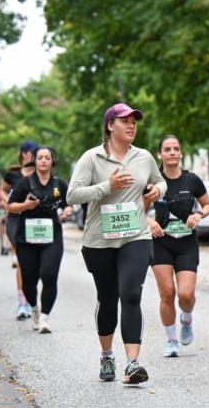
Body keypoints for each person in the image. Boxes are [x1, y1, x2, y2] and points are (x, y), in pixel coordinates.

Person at [67, 103, 166, 385]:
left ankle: (132, 363)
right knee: (108, 298)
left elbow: (160, 182)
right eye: (125, 121)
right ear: (110, 126)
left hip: (135, 236)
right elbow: (73, 195)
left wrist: (158, 189)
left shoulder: (144, 157)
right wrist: (107, 186)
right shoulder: (91, 158)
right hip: (100, 240)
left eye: (135, 121)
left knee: (131, 294)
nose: (132, 125)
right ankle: (107, 355)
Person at [145, 135, 209, 358]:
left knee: (185, 294)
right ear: (160, 154)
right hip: (160, 242)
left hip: (186, 244)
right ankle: (171, 340)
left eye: (176, 149)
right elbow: (137, 208)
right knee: (167, 293)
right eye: (167, 149)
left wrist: (198, 214)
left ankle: (186, 317)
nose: (172, 152)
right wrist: (149, 221)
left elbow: (208, 205)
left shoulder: (192, 180)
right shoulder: (153, 182)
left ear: (181, 153)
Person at [7, 147, 72, 334]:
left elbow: (69, 203)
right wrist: (26, 205)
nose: (43, 161)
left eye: (47, 158)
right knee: (29, 280)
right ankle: (34, 308)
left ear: (52, 161)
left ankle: (44, 317)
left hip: (52, 236)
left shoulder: (59, 184)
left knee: (49, 274)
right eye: (40, 158)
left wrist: (68, 211)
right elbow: (10, 206)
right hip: (27, 237)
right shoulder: (24, 184)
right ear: (34, 161)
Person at [1, 141, 39, 319]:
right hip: (16, 219)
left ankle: (31, 298)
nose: (31, 155)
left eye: (35, 152)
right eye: (29, 152)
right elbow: (2, 191)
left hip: (36, 220)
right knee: (23, 261)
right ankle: (23, 303)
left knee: (36, 263)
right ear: (23, 153)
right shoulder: (13, 175)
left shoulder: (41, 173)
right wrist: (7, 203)